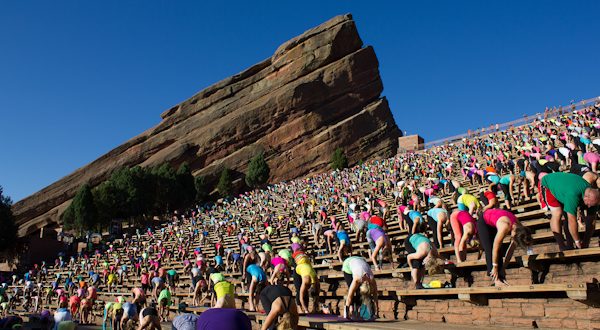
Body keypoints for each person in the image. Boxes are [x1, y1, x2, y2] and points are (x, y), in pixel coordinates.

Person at [539, 172, 600, 250]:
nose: (588, 206)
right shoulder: (573, 195)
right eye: (588, 204)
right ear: (586, 197)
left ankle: (570, 244)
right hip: (548, 184)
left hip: (564, 188)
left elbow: (591, 221)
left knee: (569, 215)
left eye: (591, 205)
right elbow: (572, 221)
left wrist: (586, 242)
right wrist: (578, 241)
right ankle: (562, 246)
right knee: (557, 213)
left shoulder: (594, 199)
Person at [478, 209, 533, 286]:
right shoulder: (505, 226)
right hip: (484, 222)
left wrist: (503, 268)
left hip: (495, 221)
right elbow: (495, 248)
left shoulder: (519, 227)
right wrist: (495, 267)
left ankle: (501, 278)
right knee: (490, 249)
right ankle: (496, 279)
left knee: (500, 250)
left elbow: (511, 250)